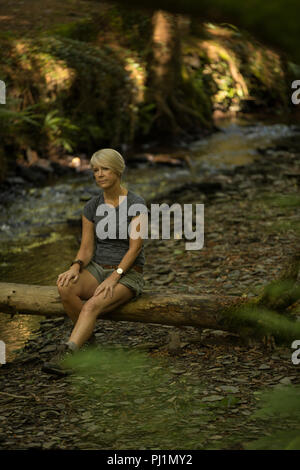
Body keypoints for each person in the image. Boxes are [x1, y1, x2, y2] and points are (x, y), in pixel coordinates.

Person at [42, 148, 148, 375]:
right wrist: (75, 266)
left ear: (118, 171)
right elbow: (87, 248)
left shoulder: (136, 204)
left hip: (128, 272)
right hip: (98, 267)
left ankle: (68, 354)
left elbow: (135, 248)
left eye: (105, 169)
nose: (99, 174)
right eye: (95, 170)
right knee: (65, 286)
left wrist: (114, 277)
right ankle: (88, 344)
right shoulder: (91, 207)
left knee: (91, 305)